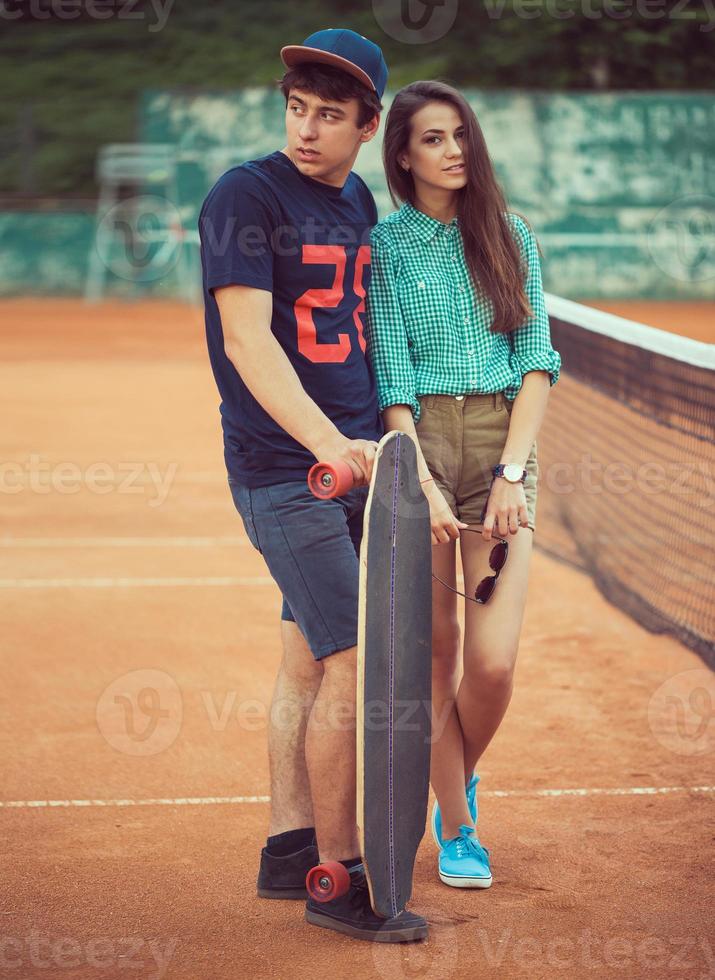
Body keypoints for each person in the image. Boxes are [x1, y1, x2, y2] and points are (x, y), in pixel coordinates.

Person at [198, 30, 428, 943]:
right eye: (297, 108)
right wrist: (335, 441)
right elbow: (248, 344)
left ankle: (288, 848)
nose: (306, 129)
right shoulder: (243, 195)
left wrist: (378, 441)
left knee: (305, 657)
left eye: (330, 115)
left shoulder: (361, 196)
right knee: (350, 663)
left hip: (356, 465)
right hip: (284, 472)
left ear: (367, 128)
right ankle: (344, 879)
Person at [365, 80, 561, 889]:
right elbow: (391, 374)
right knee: (433, 658)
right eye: (433, 140)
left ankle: (452, 775)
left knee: (490, 667)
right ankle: (457, 826)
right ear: (402, 156)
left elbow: (537, 359)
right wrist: (420, 482)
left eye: (459, 136)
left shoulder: (509, 235)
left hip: (498, 445)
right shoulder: (384, 246)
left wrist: (510, 474)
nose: (453, 152)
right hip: (418, 449)